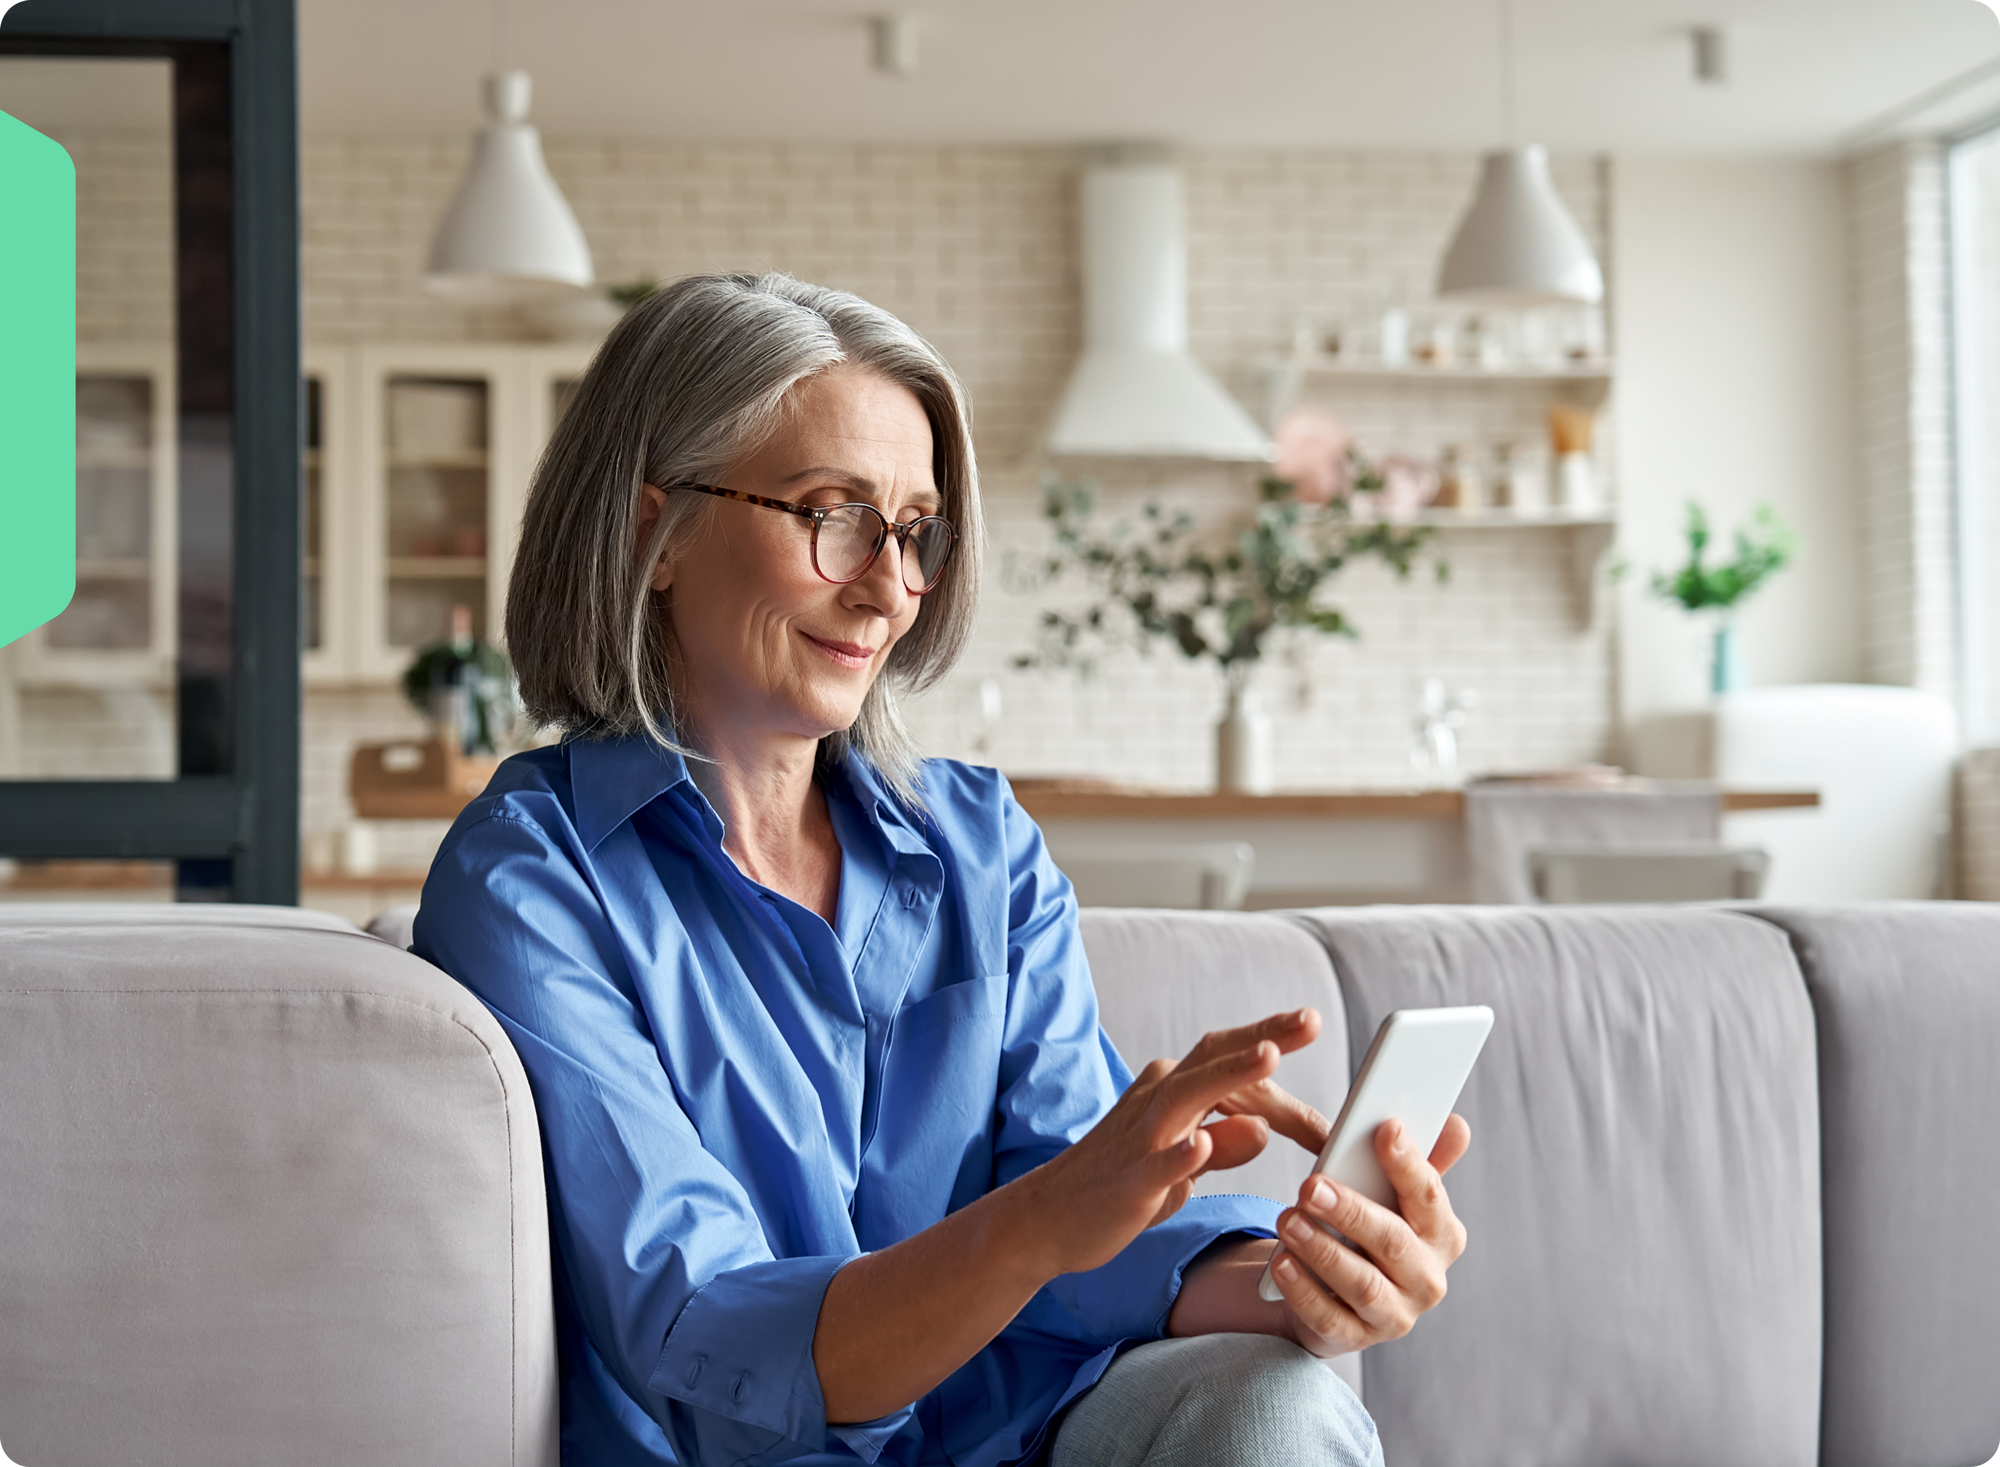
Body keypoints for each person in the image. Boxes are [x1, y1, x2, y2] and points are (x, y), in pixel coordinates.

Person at [414, 273, 1471, 1467]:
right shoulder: (533, 880)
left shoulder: (978, 844)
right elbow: (702, 1335)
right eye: (834, 514)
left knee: (1276, 1397)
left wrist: (1302, 1274)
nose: (890, 586)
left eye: (914, 530)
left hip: (1015, 1442)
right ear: (655, 533)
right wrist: (1040, 1225)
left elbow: (1081, 1241)